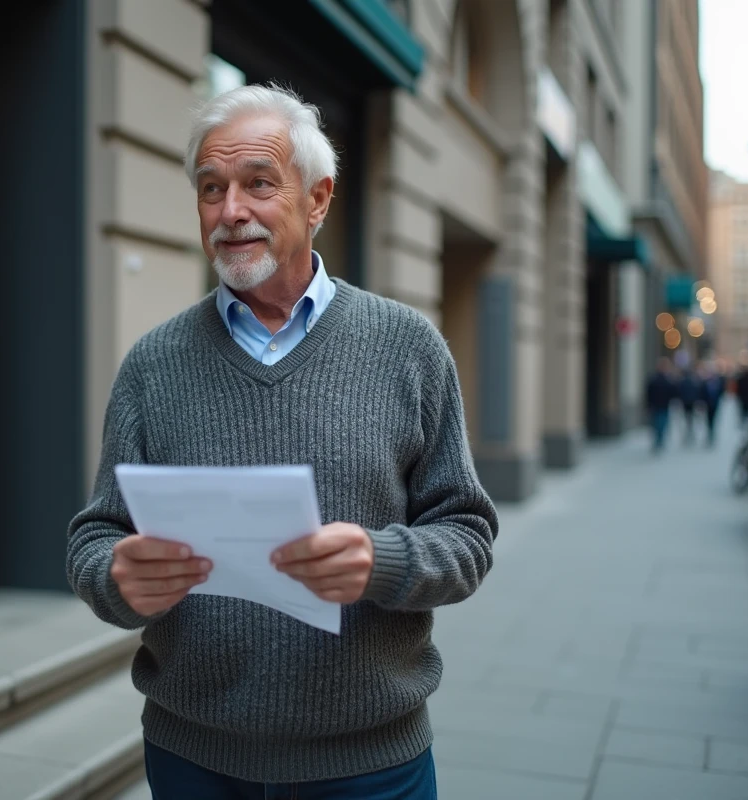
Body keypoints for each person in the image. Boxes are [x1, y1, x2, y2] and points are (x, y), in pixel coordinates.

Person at [67, 84, 497, 799]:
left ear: (318, 200)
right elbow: (94, 538)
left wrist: (382, 560)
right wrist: (116, 577)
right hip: (193, 759)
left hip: (369, 765)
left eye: (258, 184)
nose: (230, 211)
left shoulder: (408, 347)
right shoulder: (152, 364)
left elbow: (468, 535)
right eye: (211, 188)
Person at [646, 358, 675, 453]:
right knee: (659, 424)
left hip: (661, 406)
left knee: (659, 424)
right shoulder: (663, 380)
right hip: (659, 406)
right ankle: (659, 440)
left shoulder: (664, 379)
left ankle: (659, 440)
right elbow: (649, 393)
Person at [675, 367, 700, 445]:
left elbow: (679, 392)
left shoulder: (682, 382)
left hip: (685, 403)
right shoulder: (693, 382)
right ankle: (690, 432)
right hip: (691, 403)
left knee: (686, 418)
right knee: (690, 419)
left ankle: (687, 433)